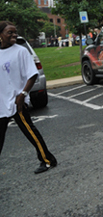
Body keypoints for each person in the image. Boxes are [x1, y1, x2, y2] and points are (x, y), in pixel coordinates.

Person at [0, 21, 58, 174]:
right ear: (0, 35)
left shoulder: (20, 51)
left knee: (30, 132)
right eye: (9, 32)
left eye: (15, 32)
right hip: (1, 103)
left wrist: (23, 94)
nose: (14, 35)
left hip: (16, 102)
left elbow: (32, 75)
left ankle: (48, 160)